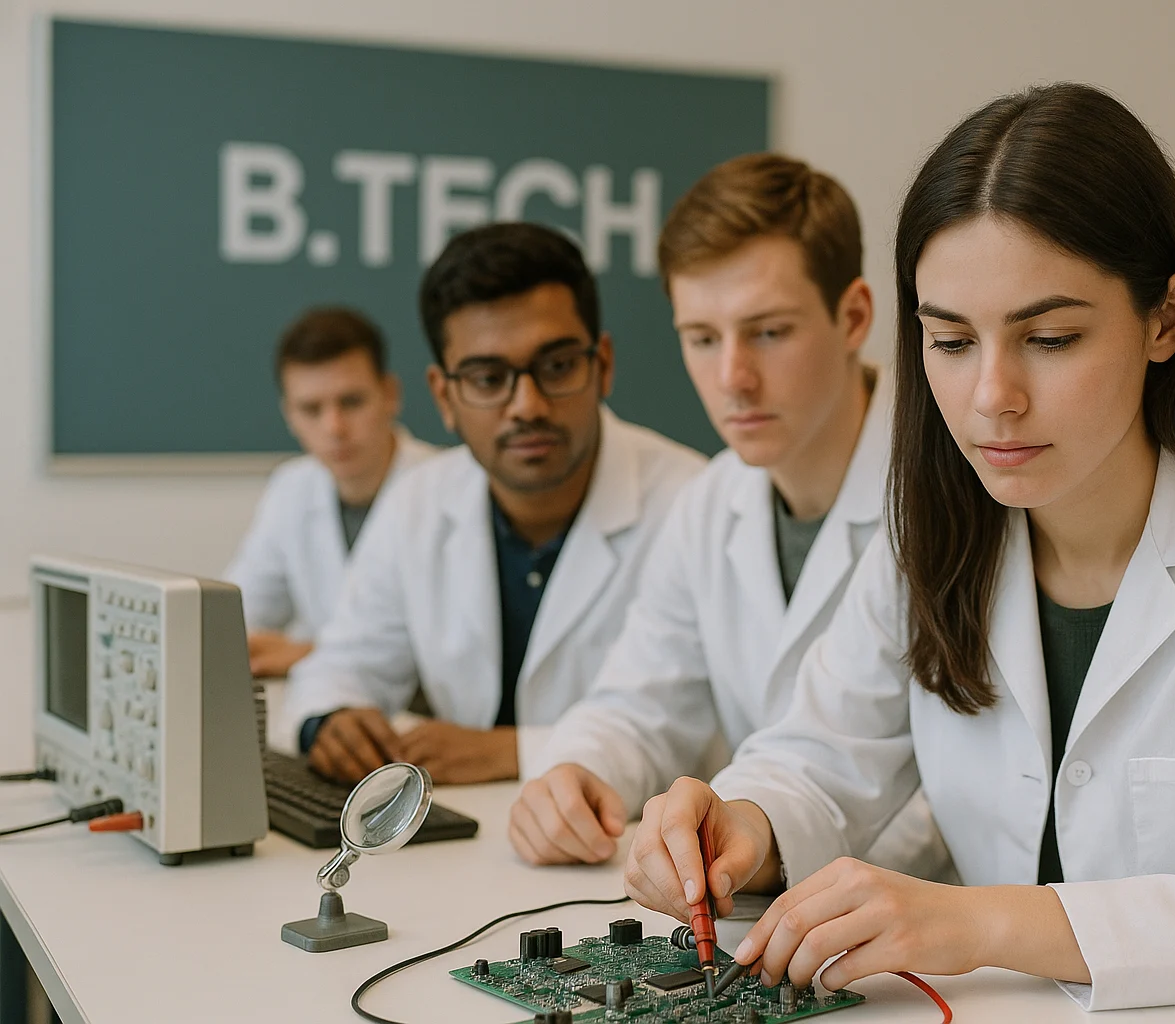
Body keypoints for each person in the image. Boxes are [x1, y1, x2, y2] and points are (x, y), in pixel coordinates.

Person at [621, 85, 1175, 1024]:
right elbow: (822, 755)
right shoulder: (933, 522)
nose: (992, 397)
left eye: (1049, 338)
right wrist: (741, 825)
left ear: (1166, 319)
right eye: (952, 341)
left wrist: (986, 924)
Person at [509, 154, 949, 880]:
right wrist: (576, 772)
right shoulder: (713, 502)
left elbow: (957, 790)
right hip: (776, 894)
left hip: (938, 919)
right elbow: (640, 700)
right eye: (703, 338)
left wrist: (762, 844)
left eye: (769, 332)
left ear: (854, 317)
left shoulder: (954, 487)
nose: (732, 379)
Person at [280, 223, 706, 784]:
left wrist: (509, 753)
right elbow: (342, 661)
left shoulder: (692, 503)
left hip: (635, 850)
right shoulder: (418, 502)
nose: (526, 405)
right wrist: (331, 721)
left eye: (556, 367)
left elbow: (686, 727)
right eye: (488, 378)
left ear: (601, 365)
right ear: (444, 396)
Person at [225, 308, 436, 678]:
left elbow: (453, 654)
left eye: (351, 402)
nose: (334, 427)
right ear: (288, 414)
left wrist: (306, 653)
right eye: (311, 409)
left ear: (390, 395)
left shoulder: (445, 489)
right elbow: (234, 619)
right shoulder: (291, 489)